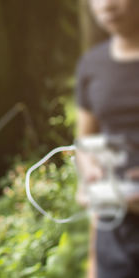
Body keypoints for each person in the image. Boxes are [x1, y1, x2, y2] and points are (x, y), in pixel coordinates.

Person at [76, 0, 139, 277]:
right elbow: (84, 142)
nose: (107, 5)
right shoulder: (92, 64)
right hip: (114, 236)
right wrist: (88, 173)